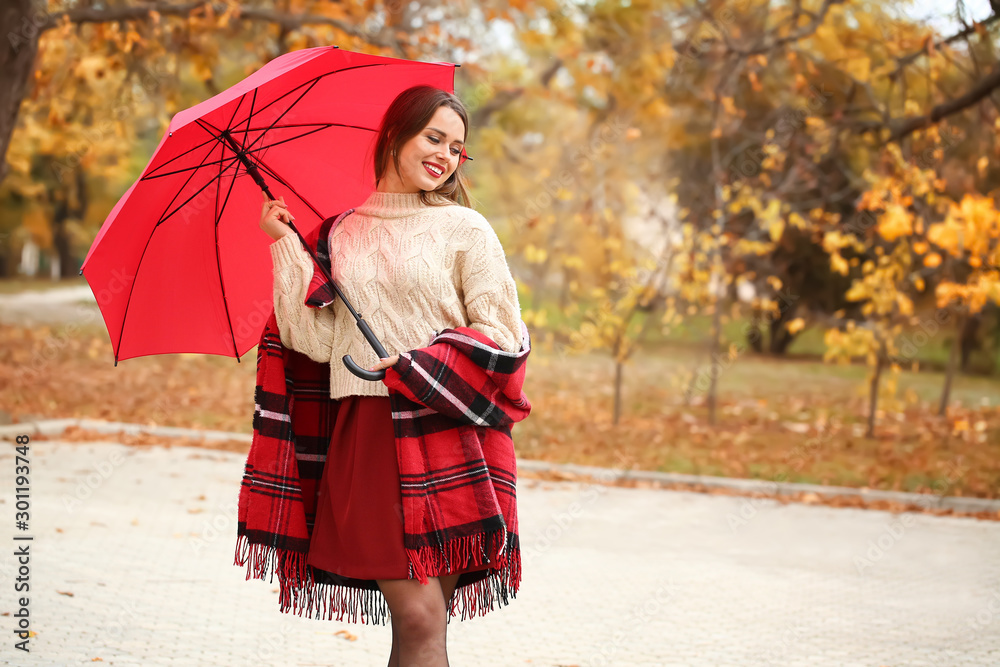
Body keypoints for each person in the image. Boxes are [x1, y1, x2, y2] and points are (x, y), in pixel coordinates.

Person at [257, 84, 523, 667]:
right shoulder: (336, 234)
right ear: (395, 135)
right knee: (418, 614)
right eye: (435, 138)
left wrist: (418, 365)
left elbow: (506, 335)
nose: (446, 156)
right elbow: (317, 343)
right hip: (370, 430)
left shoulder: (466, 231)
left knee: (425, 624)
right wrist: (286, 248)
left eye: (457, 148)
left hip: (448, 426)